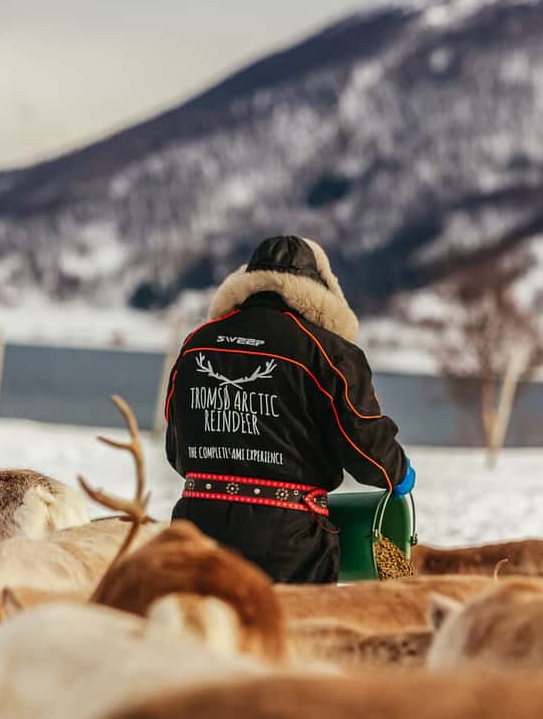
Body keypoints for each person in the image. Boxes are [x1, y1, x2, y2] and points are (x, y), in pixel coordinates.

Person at [164, 235, 414, 583]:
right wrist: (398, 473)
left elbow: (176, 448)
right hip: (287, 542)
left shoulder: (196, 344)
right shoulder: (328, 352)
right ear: (319, 291)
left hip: (195, 529)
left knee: (196, 632)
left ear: (246, 283)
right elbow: (367, 446)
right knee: (288, 634)